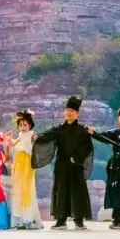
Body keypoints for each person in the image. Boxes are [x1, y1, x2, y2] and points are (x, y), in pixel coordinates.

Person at [33, 95, 94, 230]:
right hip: (61, 165)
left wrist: (76, 158)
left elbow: (87, 147)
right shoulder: (59, 128)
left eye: (72, 111)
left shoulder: (83, 130)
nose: (69, 113)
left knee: (77, 192)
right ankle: (61, 221)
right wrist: (38, 137)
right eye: (67, 110)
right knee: (61, 191)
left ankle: (79, 221)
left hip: (76, 165)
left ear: (77, 113)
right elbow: (48, 135)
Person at [7, 109, 43, 230]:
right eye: (21, 125)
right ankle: (20, 220)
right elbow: (14, 146)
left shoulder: (31, 135)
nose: (22, 127)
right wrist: (9, 140)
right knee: (18, 193)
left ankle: (29, 220)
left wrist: (36, 139)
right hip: (18, 168)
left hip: (27, 168)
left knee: (27, 192)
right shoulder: (20, 136)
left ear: (30, 126)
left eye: (25, 125)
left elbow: (34, 146)